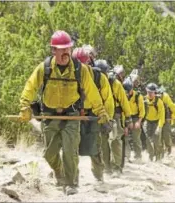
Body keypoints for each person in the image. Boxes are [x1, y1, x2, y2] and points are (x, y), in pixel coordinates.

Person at [19, 31, 110, 195]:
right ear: (53, 50)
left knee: (70, 151)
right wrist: (25, 106)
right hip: (49, 116)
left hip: (72, 116)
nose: (66, 52)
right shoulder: (45, 68)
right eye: (61, 49)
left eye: (68, 48)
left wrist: (101, 111)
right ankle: (58, 171)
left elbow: (92, 92)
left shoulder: (79, 69)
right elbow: (30, 86)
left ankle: (71, 184)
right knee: (49, 154)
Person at [72, 47, 114, 184]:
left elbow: (108, 99)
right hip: (74, 114)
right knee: (71, 147)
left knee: (95, 148)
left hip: (94, 115)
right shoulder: (68, 76)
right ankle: (72, 178)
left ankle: (99, 177)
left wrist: (107, 118)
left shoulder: (99, 77)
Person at [95, 59, 132, 178]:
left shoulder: (114, 83)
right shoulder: (93, 82)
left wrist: (128, 118)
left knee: (116, 141)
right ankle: (107, 168)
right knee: (103, 143)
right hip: (100, 115)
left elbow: (124, 101)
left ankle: (117, 167)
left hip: (115, 115)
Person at [122, 78, 145, 163]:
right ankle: (126, 156)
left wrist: (139, 122)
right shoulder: (123, 96)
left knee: (136, 137)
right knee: (125, 137)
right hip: (126, 117)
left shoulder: (138, 96)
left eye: (128, 90)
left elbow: (142, 111)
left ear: (132, 89)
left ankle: (138, 156)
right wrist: (125, 125)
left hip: (136, 118)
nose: (127, 93)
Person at [143, 83, 165, 161]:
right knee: (148, 139)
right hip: (147, 121)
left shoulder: (159, 102)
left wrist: (159, 127)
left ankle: (158, 156)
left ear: (155, 92)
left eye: (151, 92)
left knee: (156, 139)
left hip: (157, 122)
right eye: (148, 92)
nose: (150, 94)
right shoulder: (144, 100)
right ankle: (151, 156)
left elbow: (162, 116)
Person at [157, 85, 175, 156]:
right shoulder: (153, 96)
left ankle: (168, 149)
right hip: (158, 118)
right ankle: (160, 152)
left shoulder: (166, 97)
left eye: (160, 94)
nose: (158, 96)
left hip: (167, 118)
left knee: (166, 135)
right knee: (158, 136)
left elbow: (172, 106)